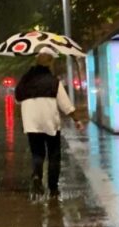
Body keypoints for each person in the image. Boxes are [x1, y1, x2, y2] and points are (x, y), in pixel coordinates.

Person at [14, 51, 86, 197]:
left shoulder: (26, 80)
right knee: (54, 154)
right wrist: (76, 119)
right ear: (49, 64)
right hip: (50, 122)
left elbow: (17, 98)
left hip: (31, 123)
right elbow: (65, 104)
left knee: (37, 153)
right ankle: (53, 187)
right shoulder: (53, 81)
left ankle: (36, 176)